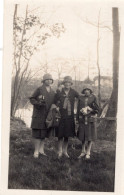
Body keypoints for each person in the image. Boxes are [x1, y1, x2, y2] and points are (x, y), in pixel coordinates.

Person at [29, 73, 55, 158]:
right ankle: (36, 151)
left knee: (44, 133)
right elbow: (32, 98)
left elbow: (55, 102)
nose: (49, 81)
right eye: (47, 79)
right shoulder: (39, 89)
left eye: (50, 79)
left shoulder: (53, 91)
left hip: (48, 115)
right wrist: (38, 103)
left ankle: (41, 150)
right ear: (44, 81)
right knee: (37, 133)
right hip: (39, 114)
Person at [54, 76, 79, 158]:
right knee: (60, 134)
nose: (67, 84)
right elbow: (54, 101)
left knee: (67, 134)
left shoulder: (74, 92)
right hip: (61, 115)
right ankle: (59, 151)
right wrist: (57, 107)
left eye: (69, 83)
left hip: (70, 116)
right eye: (65, 83)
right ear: (63, 84)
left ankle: (65, 151)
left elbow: (81, 98)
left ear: (71, 84)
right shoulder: (60, 92)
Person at [77, 88, 99, 159]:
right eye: (85, 90)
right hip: (82, 119)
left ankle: (88, 152)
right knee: (82, 135)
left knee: (90, 135)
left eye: (88, 90)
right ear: (83, 91)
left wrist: (90, 110)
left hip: (90, 119)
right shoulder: (80, 97)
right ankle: (83, 151)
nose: (87, 91)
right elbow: (78, 108)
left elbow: (97, 109)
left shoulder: (94, 97)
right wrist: (78, 118)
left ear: (90, 91)